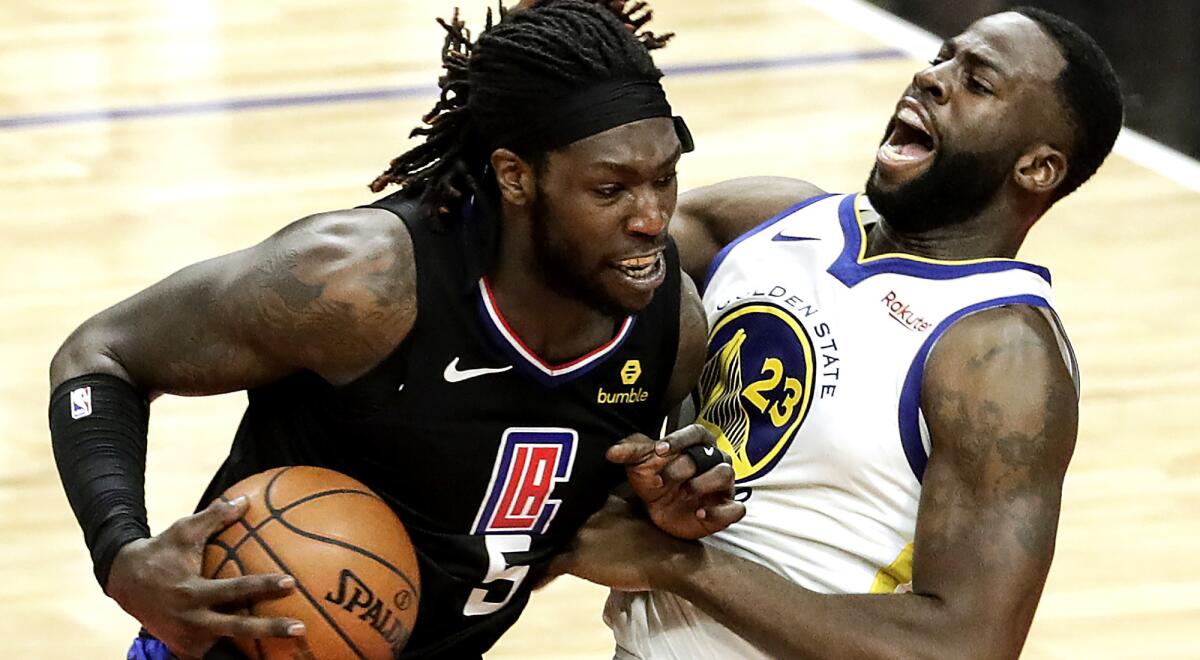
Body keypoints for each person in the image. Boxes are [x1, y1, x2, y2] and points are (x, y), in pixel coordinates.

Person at [48, 2, 743, 658]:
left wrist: (658, 511)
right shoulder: (361, 283)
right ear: (515, 177)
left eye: (666, 178)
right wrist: (121, 553)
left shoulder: (668, 329)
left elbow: (543, 523)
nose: (652, 217)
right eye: (611, 189)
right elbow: (100, 355)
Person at [554, 7, 1124, 659]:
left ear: (1038, 168)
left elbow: (963, 647)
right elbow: (563, 258)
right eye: (943, 56)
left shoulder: (999, 352)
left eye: (977, 82)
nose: (930, 77)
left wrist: (678, 566)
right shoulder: (765, 218)